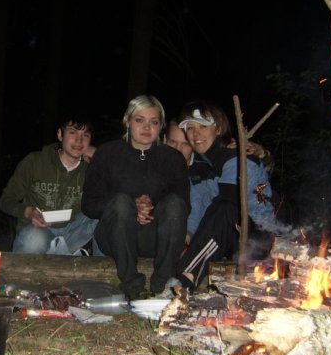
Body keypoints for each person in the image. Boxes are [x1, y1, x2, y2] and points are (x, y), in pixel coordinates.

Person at [174, 100, 291, 291]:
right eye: (190, 128)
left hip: (259, 239)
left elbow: (228, 204)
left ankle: (185, 281)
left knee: (226, 208)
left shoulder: (238, 157)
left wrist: (192, 250)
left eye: (203, 126)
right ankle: (180, 274)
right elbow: (197, 206)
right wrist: (187, 238)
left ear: (219, 129)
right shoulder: (200, 168)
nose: (196, 134)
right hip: (228, 239)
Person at [81, 95, 190, 301]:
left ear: (160, 126)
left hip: (154, 237)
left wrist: (150, 209)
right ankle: (132, 284)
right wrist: (132, 206)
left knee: (176, 203)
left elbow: (184, 206)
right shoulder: (107, 153)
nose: (147, 127)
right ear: (127, 121)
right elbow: (89, 205)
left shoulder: (173, 159)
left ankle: (162, 283)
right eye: (140, 120)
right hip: (114, 235)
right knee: (122, 202)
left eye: (154, 122)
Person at [0, 114, 99, 255]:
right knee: (34, 240)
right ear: (60, 134)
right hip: (39, 229)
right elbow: (5, 200)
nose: (79, 140)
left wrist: (100, 157)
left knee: (110, 214)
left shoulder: (92, 166)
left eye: (85, 135)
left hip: (74, 230)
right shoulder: (35, 162)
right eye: (72, 133)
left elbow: (117, 191)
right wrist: (28, 212)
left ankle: (103, 267)